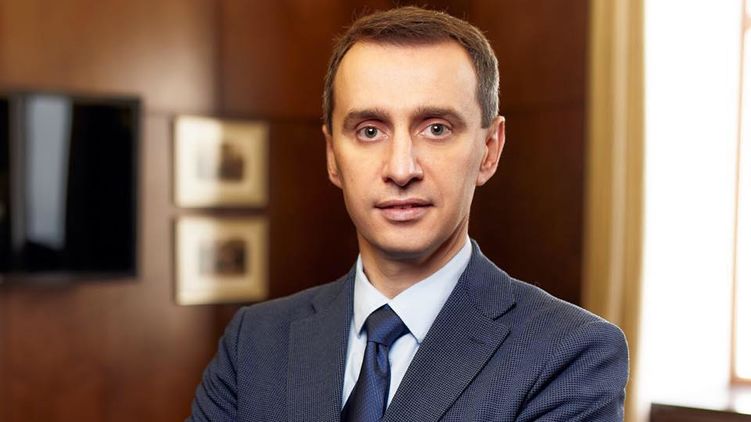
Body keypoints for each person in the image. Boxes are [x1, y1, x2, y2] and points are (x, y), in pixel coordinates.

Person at [189, 6, 628, 422]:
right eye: (370, 131)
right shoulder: (254, 343)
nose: (401, 169)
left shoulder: (569, 353)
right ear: (332, 156)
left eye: (436, 129)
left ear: (489, 150)